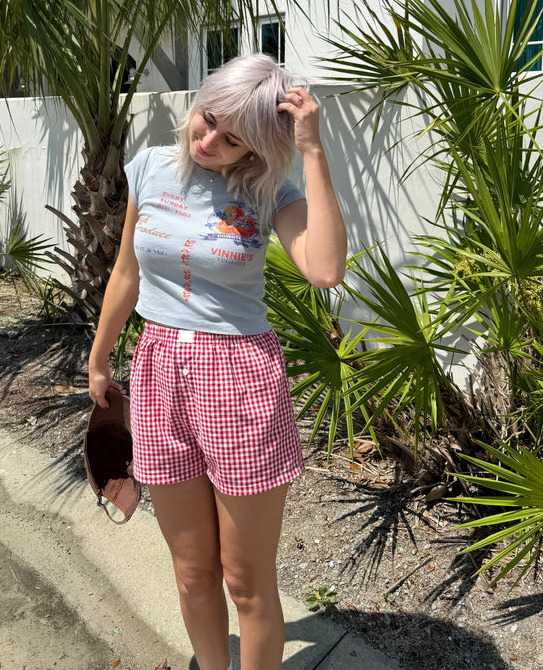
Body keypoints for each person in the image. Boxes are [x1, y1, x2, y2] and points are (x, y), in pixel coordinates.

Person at [88, 53, 346, 670]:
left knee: (245, 579)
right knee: (192, 573)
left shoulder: (267, 191)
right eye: (206, 121)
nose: (208, 142)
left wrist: (312, 151)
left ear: (256, 147)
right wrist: (100, 359)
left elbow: (325, 269)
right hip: (155, 373)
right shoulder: (149, 167)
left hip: (239, 380)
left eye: (232, 139)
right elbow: (126, 270)